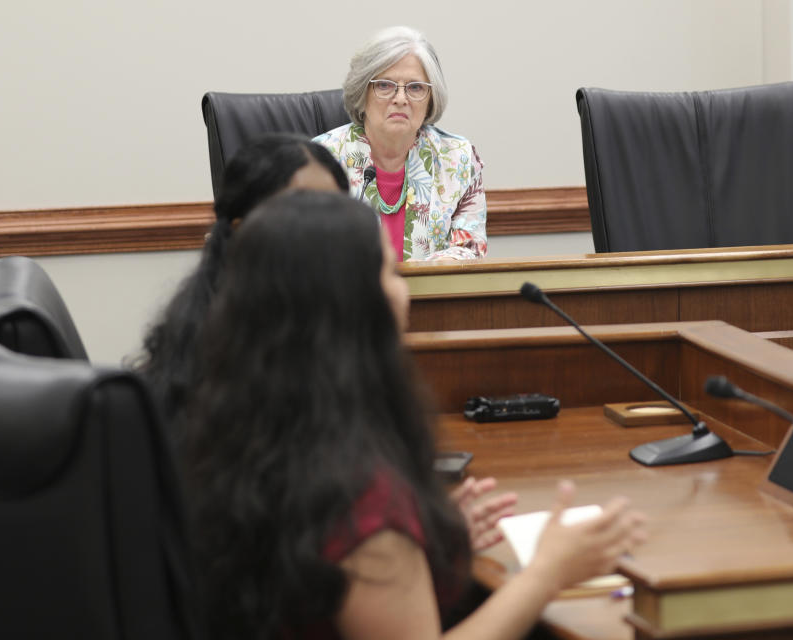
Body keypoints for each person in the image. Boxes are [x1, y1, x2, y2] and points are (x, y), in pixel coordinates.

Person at [182, 190, 646, 640]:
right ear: (355, 307)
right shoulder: (361, 499)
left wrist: (428, 538)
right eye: (391, 272)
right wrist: (547, 573)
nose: (405, 290)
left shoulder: (238, 431)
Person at [134, 133, 349, 432]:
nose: (325, 232)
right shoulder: (227, 351)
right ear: (243, 231)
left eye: (335, 213)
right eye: (301, 214)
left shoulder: (336, 317)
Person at [314, 26, 487, 262]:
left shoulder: (458, 159)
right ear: (361, 93)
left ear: (430, 99)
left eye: (415, 87)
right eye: (384, 85)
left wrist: (442, 267)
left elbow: (471, 248)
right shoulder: (320, 160)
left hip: (434, 296)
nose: (400, 99)